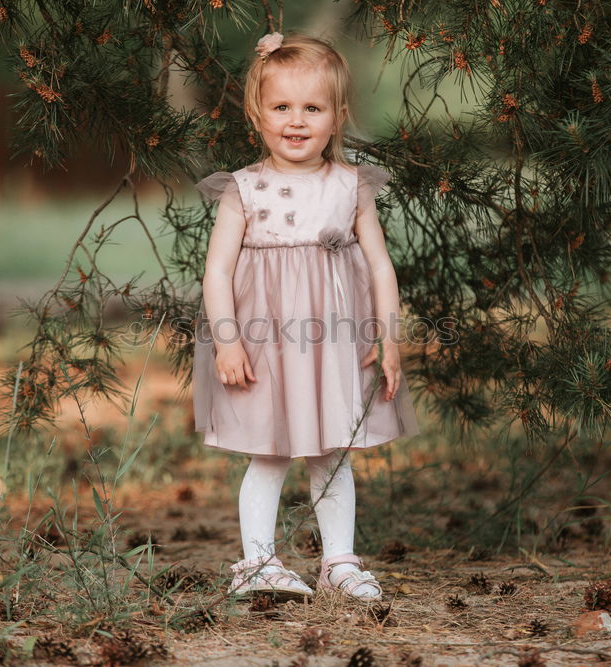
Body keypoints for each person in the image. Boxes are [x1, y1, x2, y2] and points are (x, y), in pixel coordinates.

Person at [191, 32, 419, 601]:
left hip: (332, 344)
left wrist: (388, 339)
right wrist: (226, 342)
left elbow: (380, 268)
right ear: (257, 113)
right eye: (282, 107)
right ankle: (258, 563)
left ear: (338, 116)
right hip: (264, 343)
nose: (296, 121)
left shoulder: (350, 186)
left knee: (331, 451)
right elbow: (216, 272)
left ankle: (339, 562)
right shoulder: (242, 189)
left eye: (312, 108)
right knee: (268, 452)